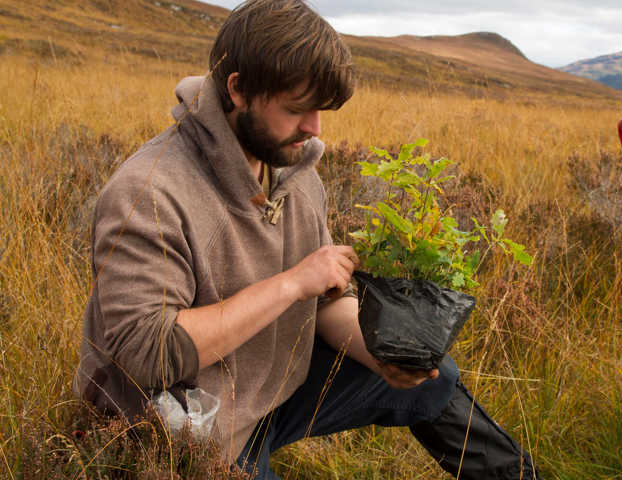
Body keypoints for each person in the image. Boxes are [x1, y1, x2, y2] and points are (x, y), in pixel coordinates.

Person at [74, 0, 537, 478]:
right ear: (239, 90)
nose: (315, 129)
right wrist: (293, 283)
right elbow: (147, 356)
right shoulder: (148, 193)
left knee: (435, 381)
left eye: (321, 109)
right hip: (189, 433)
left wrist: (382, 361)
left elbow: (327, 300)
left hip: (272, 389)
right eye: (298, 108)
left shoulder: (294, 171)